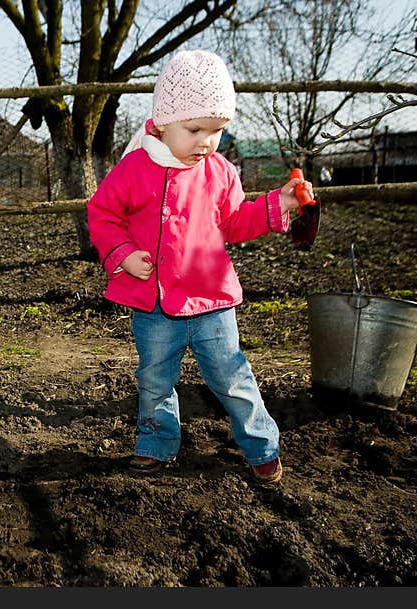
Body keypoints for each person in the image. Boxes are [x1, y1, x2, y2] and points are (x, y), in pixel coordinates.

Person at [87, 50, 314, 484]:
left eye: (216, 131)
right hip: (154, 306)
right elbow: (102, 214)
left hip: (211, 300)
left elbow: (235, 221)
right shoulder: (135, 167)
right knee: (154, 378)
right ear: (163, 121)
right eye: (194, 130)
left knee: (232, 376)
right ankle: (156, 443)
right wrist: (121, 252)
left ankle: (261, 445)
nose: (206, 142)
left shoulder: (220, 171)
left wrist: (277, 204)